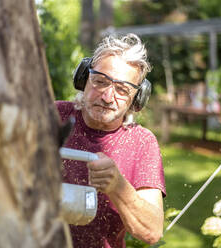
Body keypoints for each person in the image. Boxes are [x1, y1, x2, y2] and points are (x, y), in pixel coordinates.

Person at [56, 33, 166, 248]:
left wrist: (117, 186)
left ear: (137, 98)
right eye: (100, 82)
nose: (107, 97)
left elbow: (152, 231)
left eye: (122, 90)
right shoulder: (52, 115)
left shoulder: (141, 142)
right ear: (83, 79)